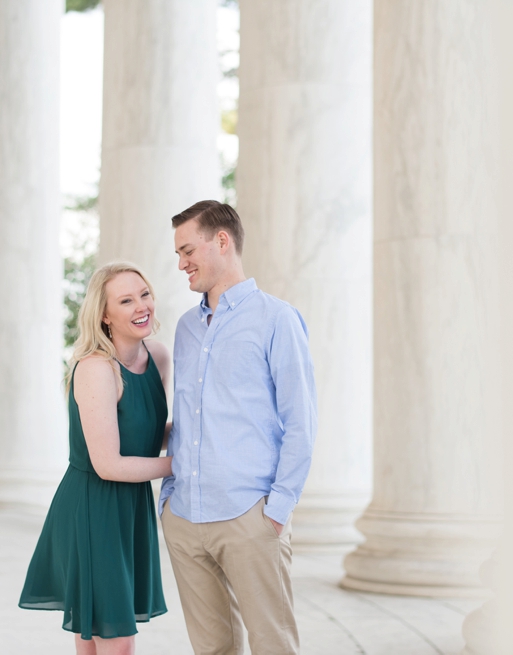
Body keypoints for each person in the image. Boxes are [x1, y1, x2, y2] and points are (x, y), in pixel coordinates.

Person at [160, 200, 318, 655]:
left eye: (187, 249)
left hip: (249, 515)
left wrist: (277, 509)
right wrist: (168, 501)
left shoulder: (277, 319)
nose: (181, 263)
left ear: (222, 241)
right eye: (177, 253)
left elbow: (300, 422)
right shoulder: (187, 328)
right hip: (186, 518)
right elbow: (190, 417)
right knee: (212, 650)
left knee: (274, 646)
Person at [20, 262, 173, 655]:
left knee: (95, 638)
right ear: (104, 315)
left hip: (131, 506)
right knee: (118, 642)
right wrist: (186, 466)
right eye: (126, 300)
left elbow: (145, 436)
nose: (142, 306)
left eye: (144, 294)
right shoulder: (95, 368)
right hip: (94, 507)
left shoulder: (158, 357)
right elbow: (109, 463)